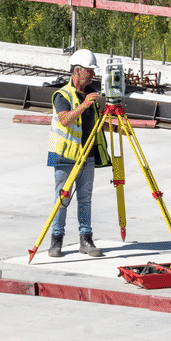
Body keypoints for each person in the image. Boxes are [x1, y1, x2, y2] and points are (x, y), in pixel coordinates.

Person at [47, 50, 108, 259]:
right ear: (78, 71)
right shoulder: (62, 95)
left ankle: (86, 240)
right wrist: (84, 105)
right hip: (65, 156)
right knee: (61, 199)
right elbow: (65, 120)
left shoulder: (92, 94)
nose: (93, 75)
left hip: (87, 155)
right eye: (90, 71)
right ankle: (56, 240)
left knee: (85, 199)